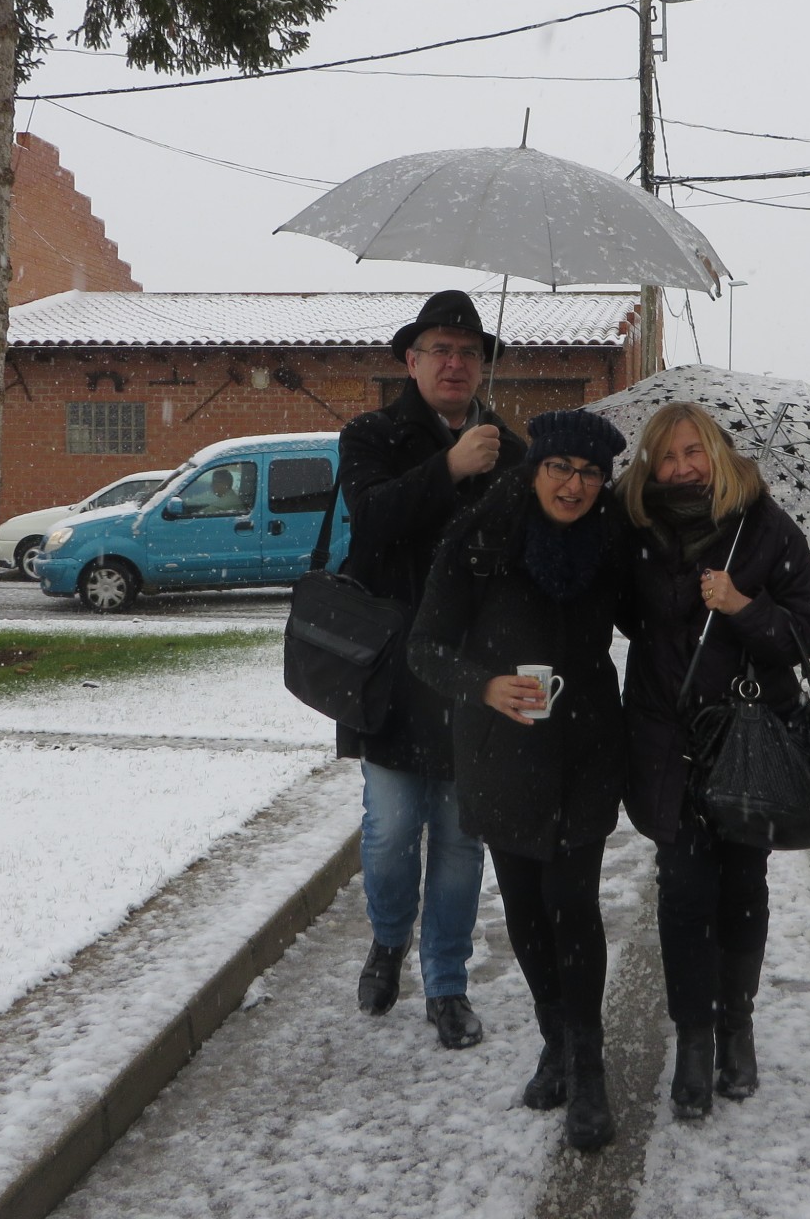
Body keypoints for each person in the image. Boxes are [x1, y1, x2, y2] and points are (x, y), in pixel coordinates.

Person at [409, 408, 633, 1152]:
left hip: (587, 746)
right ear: (535, 467)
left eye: (590, 474)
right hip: (501, 751)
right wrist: (484, 686)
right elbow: (426, 649)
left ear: (604, 483)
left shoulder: (612, 543)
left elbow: (652, 620)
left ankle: (589, 1068)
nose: (573, 486)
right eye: (561, 468)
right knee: (529, 911)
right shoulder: (480, 538)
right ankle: (555, 1042)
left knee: (572, 900)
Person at [614, 401, 810, 1119]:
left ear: (719, 455)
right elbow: (619, 614)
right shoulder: (636, 529)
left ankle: (736, 1025)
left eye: (692, 453)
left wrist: (743, 605)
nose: (681, 469)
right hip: (667, 740)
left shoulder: (767, 529)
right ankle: (695, 1039)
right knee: (682, 894)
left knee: (740, 889)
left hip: (749, 741)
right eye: (667, 458)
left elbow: (806, 636)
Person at [336, 290, 527, 1050]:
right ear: (411, 361)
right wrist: (449, 468)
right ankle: (389, 939)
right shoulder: (371, 436)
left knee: (457, 840)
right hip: (389, 676)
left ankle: (446, 984)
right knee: (389, 834)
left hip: (469, 679)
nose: (454, 363)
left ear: (482, 365)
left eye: (468, 351)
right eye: (440, 350)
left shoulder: (510, 452)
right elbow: (373, 522)